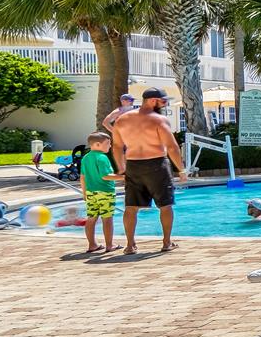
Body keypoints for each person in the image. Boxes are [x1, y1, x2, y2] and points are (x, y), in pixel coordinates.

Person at [110, 87, 186, 254]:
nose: (165, 105)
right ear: (153, 101)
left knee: (131, 207)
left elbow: (116, 146)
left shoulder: (122, 120)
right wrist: (181, 169)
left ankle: (130, 245)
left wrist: (121, 167)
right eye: (163, 101)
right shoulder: (158, 120)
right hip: (157, 164)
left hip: (133, 165)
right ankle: (166, 242)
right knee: (165, 205)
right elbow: (172, 147)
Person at [79, 131, 117, 254]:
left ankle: (92, 245)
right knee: (107, 218)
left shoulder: (85, 158)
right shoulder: (102, 157)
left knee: (91, 218)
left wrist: (84, 193)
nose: (110, 146)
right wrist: (124, 177)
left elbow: (82, 177)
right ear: (97, 144)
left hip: (90, 193)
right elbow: (106, 176)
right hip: (105, 192)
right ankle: (110, 245)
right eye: (108, 143)